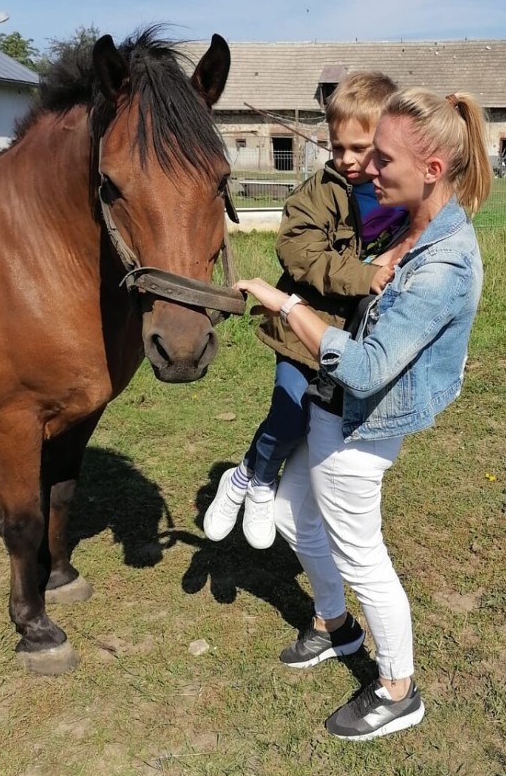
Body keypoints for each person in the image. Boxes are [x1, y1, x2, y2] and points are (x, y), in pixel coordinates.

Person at [235, 87, 490, 740]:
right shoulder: (407, 220)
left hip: (362, 423)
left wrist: (285, 305)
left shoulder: (447, 263)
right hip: (332, 407)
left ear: (432, 170)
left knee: (362, 557)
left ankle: (398, 689)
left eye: (382, 159)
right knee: (291, 513)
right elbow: (327, 253)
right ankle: (335, 625)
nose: (368, 171)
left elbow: (372, 366)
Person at [203, 72, 406, 550]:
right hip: (301, 324)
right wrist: (365, 275)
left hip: (352, 339)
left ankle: (253, 474)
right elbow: (297, 250)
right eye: (338, 148)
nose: (348, 160)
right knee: (291, 409)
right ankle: (252, 479)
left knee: (319, 425)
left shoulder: (395, 191)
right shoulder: (322, 190)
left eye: (360, 148)